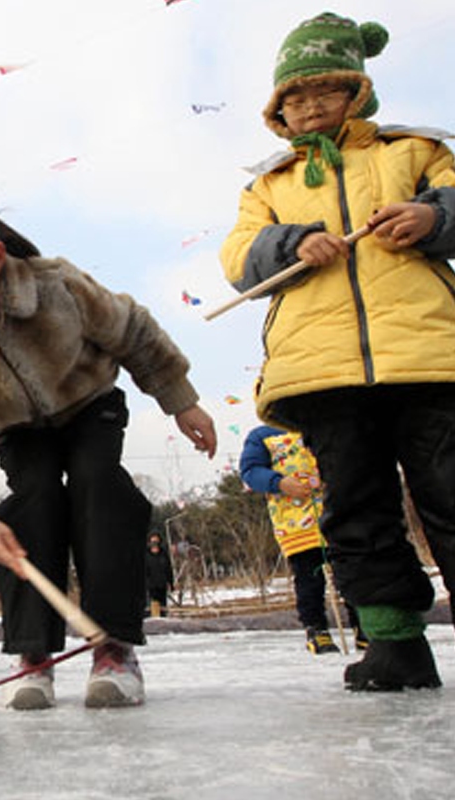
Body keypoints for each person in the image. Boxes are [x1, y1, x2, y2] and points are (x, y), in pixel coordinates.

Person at [0, 186, 216, 711]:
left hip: (89, 401)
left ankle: (113, 647)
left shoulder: (55, 286)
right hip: (16, 428)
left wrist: (179, 399)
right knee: (31, 502)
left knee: (99, 484)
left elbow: (131, 329)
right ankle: (32, 657)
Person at [219, 11, 455, 691]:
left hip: (427, 355)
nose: (309, 107)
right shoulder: (268, 184)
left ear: (358, 92)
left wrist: (432, 217)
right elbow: (239, 260)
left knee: (450, 492)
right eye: (294, 97)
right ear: (277, 112)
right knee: (357, 505)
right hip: (320, 370)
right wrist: (292, 244)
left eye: (325, 91)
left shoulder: (411, 150)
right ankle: (394, 643)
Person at [240, 426, 363, 654]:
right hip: (295, 522)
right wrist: (279, 482)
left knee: (352, 572)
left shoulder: (317, 424)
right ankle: (316, 630)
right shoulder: (262, 436)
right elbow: (250, 471)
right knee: (310, 579)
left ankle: (363, 627)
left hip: (337, 515)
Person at [144, 533, 174, 618]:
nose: (155, 544)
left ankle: (163, 623)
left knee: (162, 607)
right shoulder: (146, 555)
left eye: (157, 541)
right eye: (153, 541)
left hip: (162, 585)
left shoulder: (163, 554)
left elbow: (168, 569)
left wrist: (171, 583)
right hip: (150, 587)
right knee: (150, 608)